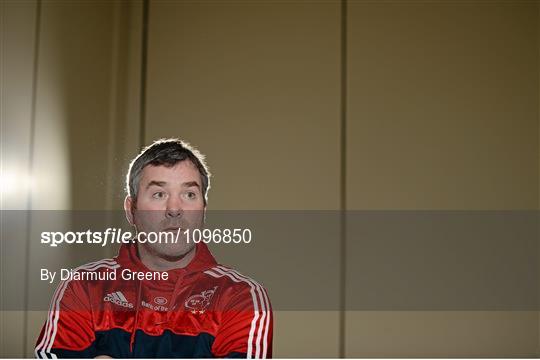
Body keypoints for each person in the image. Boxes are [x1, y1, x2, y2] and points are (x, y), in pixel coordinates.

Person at [34, 139, 273, 358]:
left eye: (189, 194)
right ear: (131, 210)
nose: (175, 208)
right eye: (159, 194)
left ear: (203, 210)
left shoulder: (241, 297)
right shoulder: (84, 286)